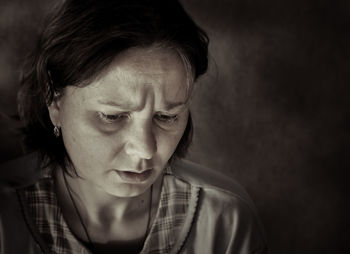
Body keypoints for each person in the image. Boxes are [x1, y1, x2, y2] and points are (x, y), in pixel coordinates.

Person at [0, 0, 268, 253]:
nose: (145, 150)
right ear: (54, 100)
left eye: (166, 117)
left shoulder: (224, 221)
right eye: (112, 116)